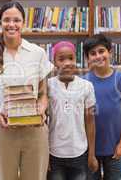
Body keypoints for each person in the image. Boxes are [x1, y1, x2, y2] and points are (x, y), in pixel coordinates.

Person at [0, 0, 54, 180]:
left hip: (35, 130)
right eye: (7, 20)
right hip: (3, 132)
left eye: (16, 20)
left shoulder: (37, 53)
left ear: (23, 23)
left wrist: (41, 110)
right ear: (0, 23)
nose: (11, 24)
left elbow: (43, 94)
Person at [83, 34, 121, 180]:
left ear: (110, 52)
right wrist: (88, 151)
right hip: (89, 150)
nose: (98, 56)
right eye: (93, 53)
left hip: (115, 149)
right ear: (88, 58)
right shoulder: (83, 82)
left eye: (101, 51)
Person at [47, 41, 98, 180]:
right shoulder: (48, 86)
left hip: (79, 153)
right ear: (54, 62)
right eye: (61, 59)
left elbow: (90, 122)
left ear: (76, 59)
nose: (67, 63)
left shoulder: (87, 86)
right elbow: (43, 123)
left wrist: (91, 154)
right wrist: (44, 155)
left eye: (71, 58)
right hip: (54, 153)